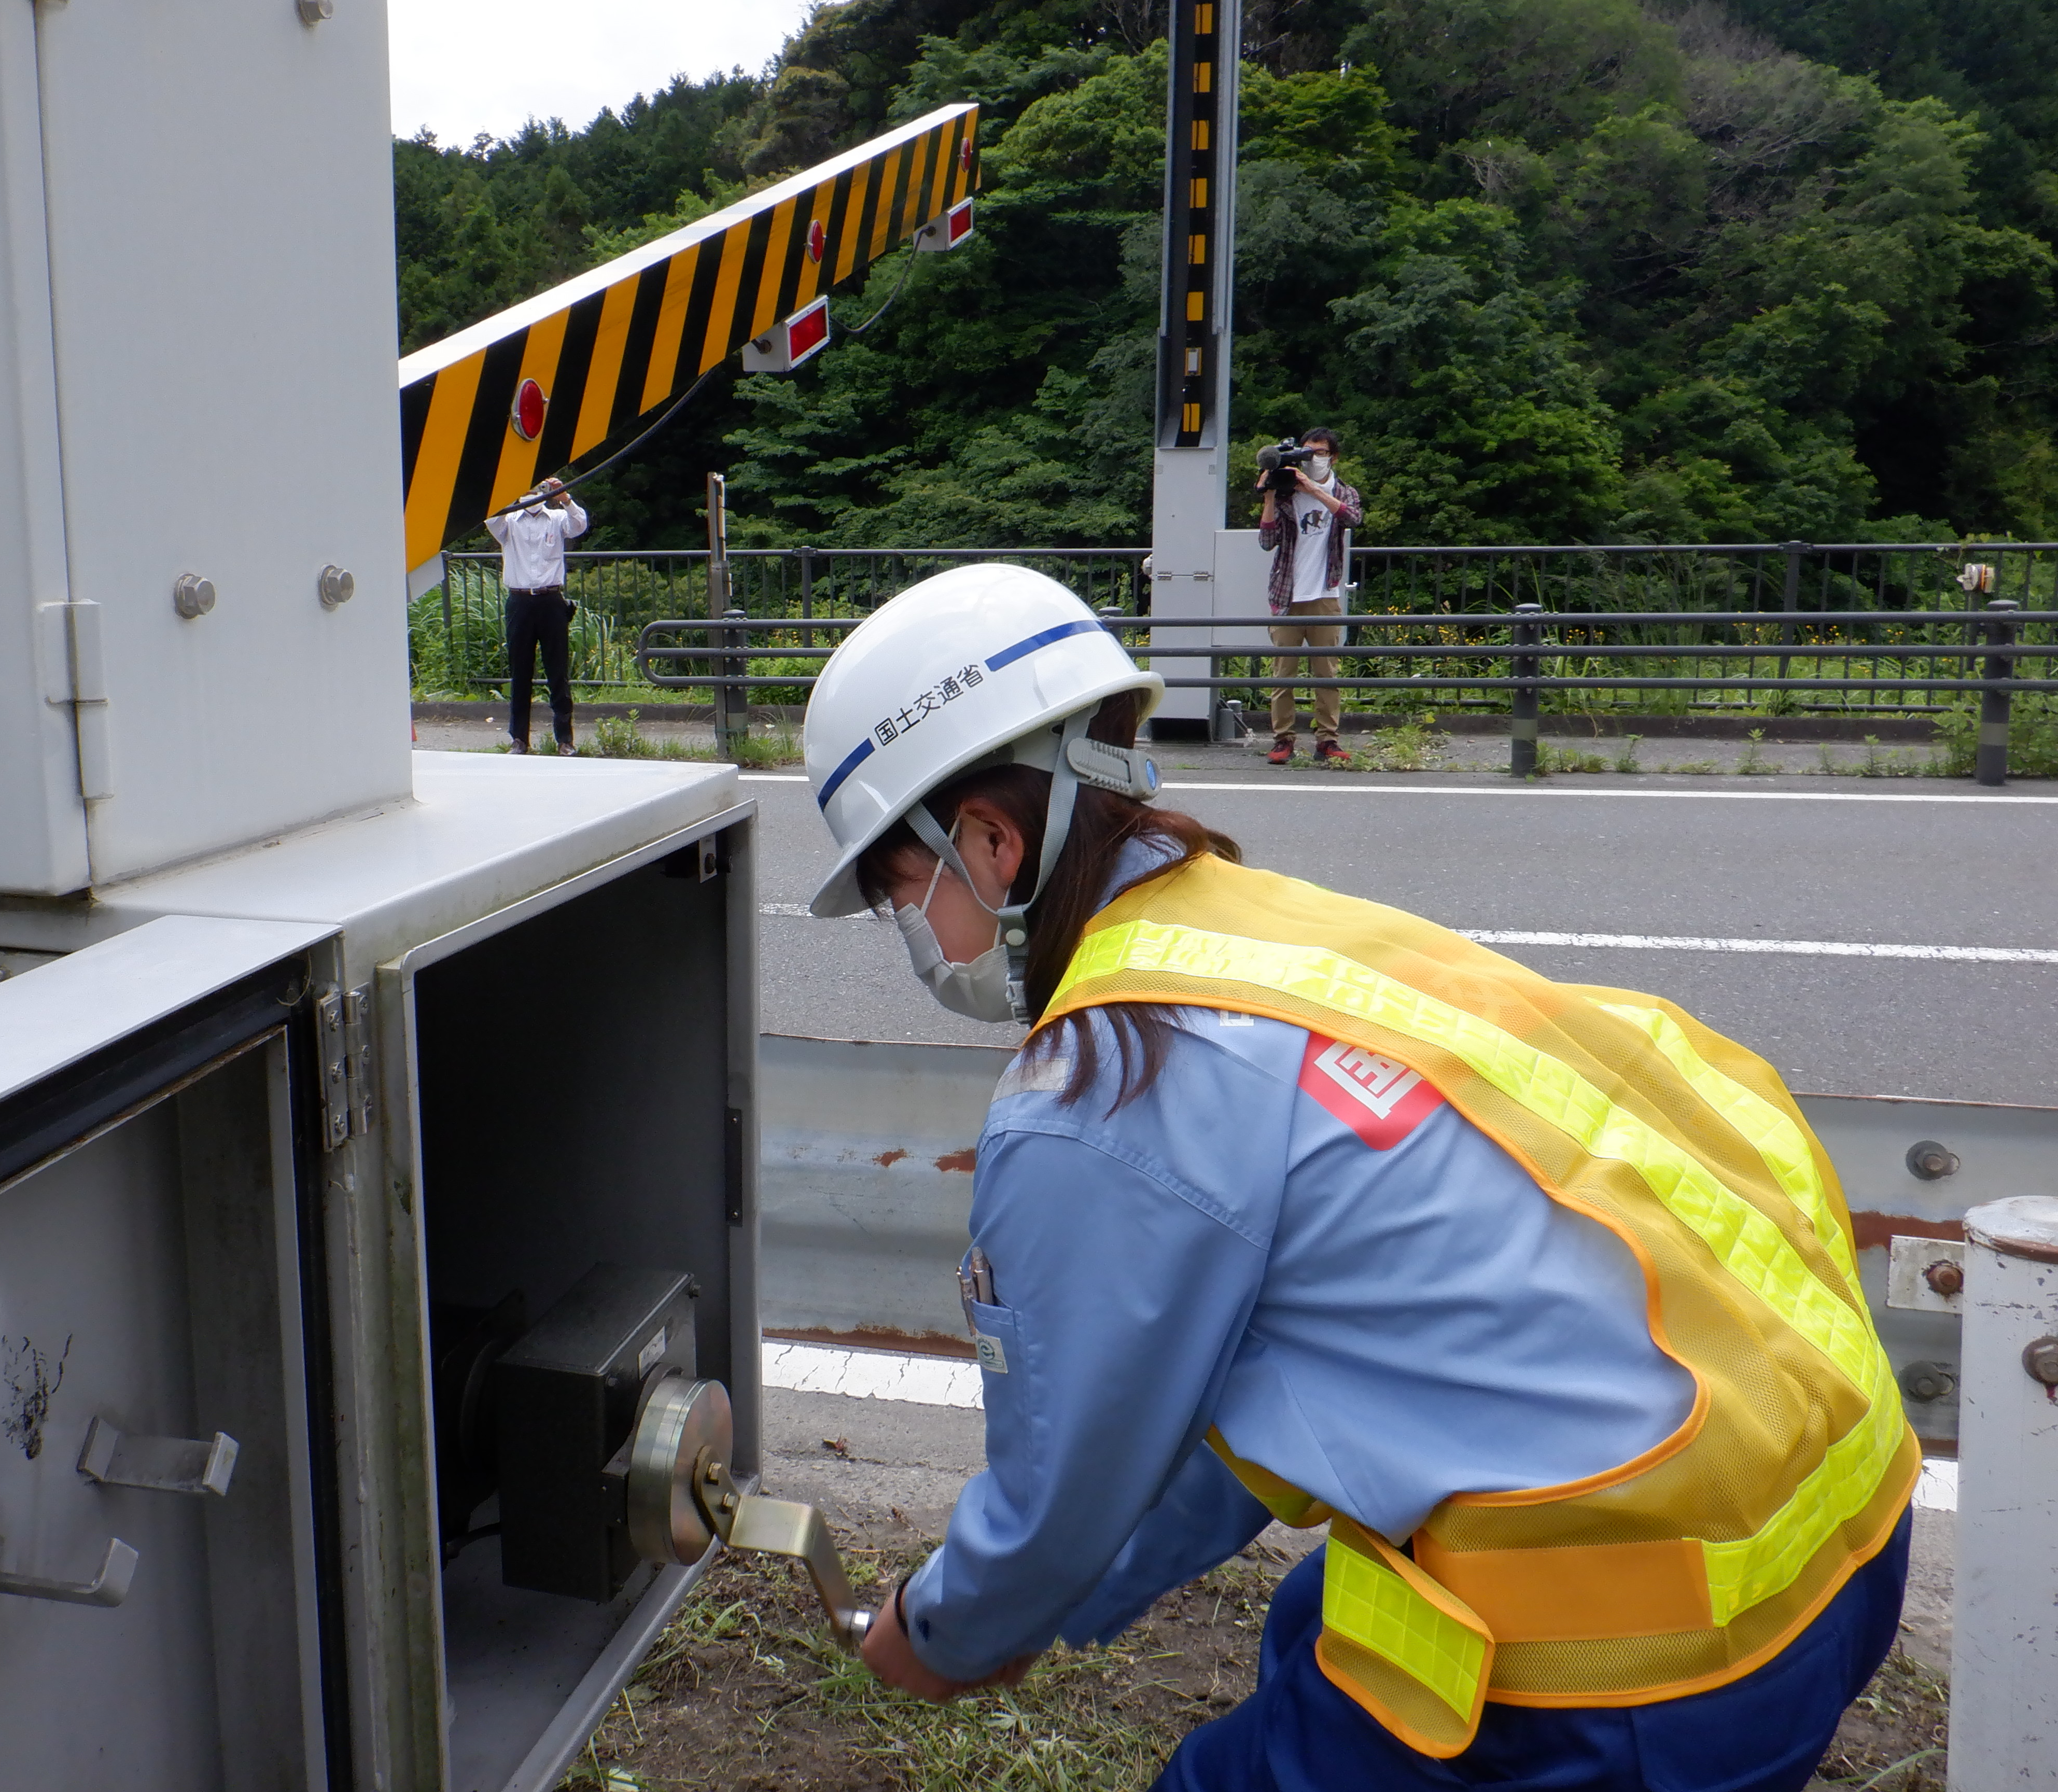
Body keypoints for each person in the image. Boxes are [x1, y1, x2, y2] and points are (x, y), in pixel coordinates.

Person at [802, 563, 1915, 1792]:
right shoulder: (1265, 925)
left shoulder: (1094, 1087)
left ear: (989, 841)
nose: (913, 937)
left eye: (903, 894)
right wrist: (1056, 1602)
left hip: (1649, 1659)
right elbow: (1227, 1442)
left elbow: (1063, 1481)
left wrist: (953, 1626)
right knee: (1312, 1625)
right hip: (1836, 1527)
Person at [1257, 428, 1363, 766]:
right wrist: (1271, 493)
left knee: (1327, 674)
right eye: (1307, 452)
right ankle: (1283, 739)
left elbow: (1352, 518)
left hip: (1325, 593)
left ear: (1333, 457)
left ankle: (1327, 740)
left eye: (1318, 453)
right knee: (1282, 675)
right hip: (1287, 593)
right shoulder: (1287, 494)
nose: (1311, 459)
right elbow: (1266, 541)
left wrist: (1314, 489)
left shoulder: (1344, 491)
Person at [484, 475, 587, 756]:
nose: (534, 491)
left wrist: (563, 496)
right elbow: (490, 517)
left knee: (558, 671)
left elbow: (579, 525)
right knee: (520, 672)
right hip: (519, 600)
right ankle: (519, 739)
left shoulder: (555, 518)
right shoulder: (509, 521)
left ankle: (565, 739)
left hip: (551, 599)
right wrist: (509, 487)